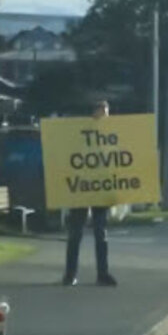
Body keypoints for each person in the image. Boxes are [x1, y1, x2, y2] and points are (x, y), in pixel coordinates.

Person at [62, 100, 119, 287]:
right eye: (101, 113)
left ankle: (102, 274)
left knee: (101, 234)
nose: (104, 117)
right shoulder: (80, 133)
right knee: (75, 233)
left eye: (106, 114)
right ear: (93, 113)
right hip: (81, 188)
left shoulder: (112, 136)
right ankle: (70, 274)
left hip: (100, 190)